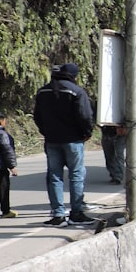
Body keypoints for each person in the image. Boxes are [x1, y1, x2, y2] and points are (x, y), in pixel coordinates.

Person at [33, 61, 97, 226]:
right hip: (73, 140)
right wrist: (87, 133)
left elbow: (37, 117)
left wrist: (46, 132)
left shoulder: (42, 92)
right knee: (76, 175)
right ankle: (76, 213)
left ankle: (58, 215)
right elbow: (85, 116)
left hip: (52, 140)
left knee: (54, 177)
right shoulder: (76, 92)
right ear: (73, 76)